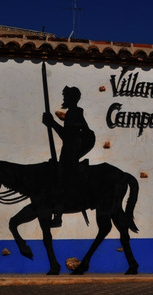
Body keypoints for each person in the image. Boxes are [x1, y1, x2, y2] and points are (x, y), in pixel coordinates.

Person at [42, 86, 95, 227]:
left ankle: (59, 216)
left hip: (73, 147)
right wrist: (52, 123)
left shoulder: (74, 113)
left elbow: (67, 135)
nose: (64, 99)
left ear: (72, 98)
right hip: (71, 147)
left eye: (66, 96)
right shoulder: (72, 113)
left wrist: (52, 123)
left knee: (62, 178)